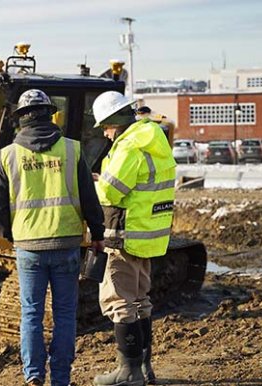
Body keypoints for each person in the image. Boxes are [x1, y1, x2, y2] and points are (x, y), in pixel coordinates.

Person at [0, 89, 106, 386]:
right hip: (66, 242)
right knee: (65, 313)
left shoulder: (8, 155)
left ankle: (33, 376)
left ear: (20, 119)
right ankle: (61, 378)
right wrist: (97, 234)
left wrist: (11, 236)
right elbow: (89, 198)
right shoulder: (71, 149)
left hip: (29, 246)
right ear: (51, 114)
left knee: (31, 313)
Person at [90, 91, 176, 386]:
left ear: (115, 120)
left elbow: (111, 192)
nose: (104, 132)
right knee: (140, 300)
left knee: (119, 301)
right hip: (147, 236)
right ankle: (144, 368)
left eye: (105, 125)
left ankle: (128, 372)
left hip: (124, 237)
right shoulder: (153, 139)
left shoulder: (129, 146)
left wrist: (96, 185)